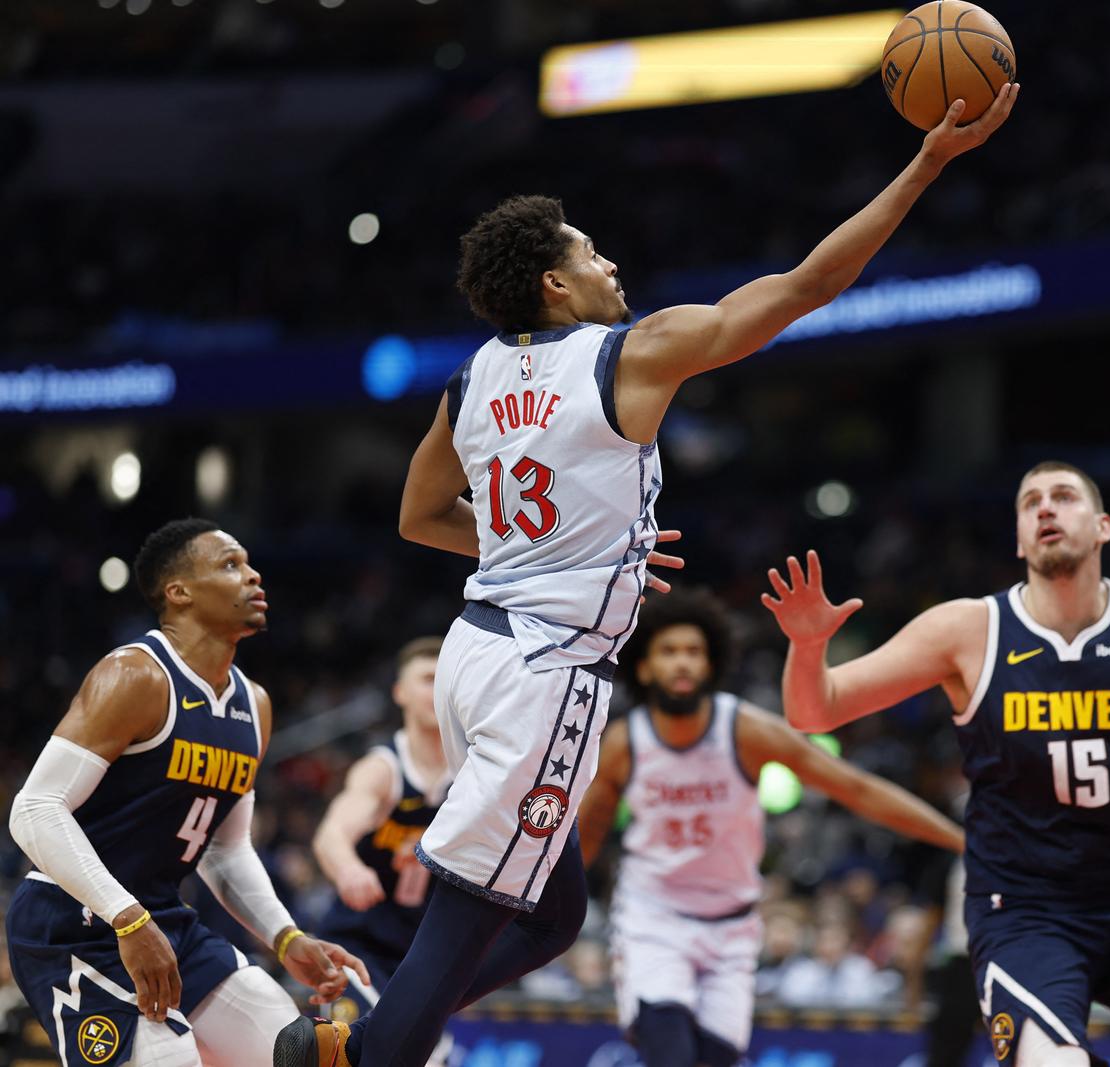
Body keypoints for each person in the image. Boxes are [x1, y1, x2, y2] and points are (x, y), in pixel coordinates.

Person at [276, 84, 1018, 1067]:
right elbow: (802, 287)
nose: (609, 261)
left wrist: (573, 551)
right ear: (553, 282)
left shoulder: (470, 380)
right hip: (545, 674)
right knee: (469, 919)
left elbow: (419, 516)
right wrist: (927, 163)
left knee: (551, 917)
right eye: (589, 251)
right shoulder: (627, 353)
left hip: (474, 652)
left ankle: (367, 1026)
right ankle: (359, 1051)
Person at [762, 461, 1110, 1067]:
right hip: (1023, 912)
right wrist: (808, 646)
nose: (1046, 509)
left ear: (1103, 526)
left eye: (1063, 497)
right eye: (1031, 503)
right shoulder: (968, 629)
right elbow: (816, 711)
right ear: (1020, 538)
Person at [6, 518, 368, 1067]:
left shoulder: (256, 705)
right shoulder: (135, 676)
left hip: (161, 919)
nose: (252, 576)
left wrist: (286, 937)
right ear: (178, 593)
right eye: (230, 565)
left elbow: (225, 848)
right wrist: (126, 917)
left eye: (248, 563)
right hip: (74, 922)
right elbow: (33, 809)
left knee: (302, 1052)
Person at [578, 591, 964, 1067]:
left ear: (712, 663)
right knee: (668, 1054)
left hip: (733, 924)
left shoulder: (745, 730)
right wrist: (542, 915)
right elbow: (584, 840)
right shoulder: (624, 743)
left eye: (693, 652)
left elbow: (856, 789)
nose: (682, 663)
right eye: (669, 651)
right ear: (644, 667)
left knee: (714, 1059)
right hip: (653, 919)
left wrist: (961, 839)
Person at [311, 637, 450, 1027]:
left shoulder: (476, 773)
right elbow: (331, 835)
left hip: (428, 952)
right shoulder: (384, 769)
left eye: (445, 680)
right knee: (361, 1048)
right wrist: (348, 869)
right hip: (359, 947)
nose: (437, 690)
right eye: (426, 679)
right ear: (400, 693)